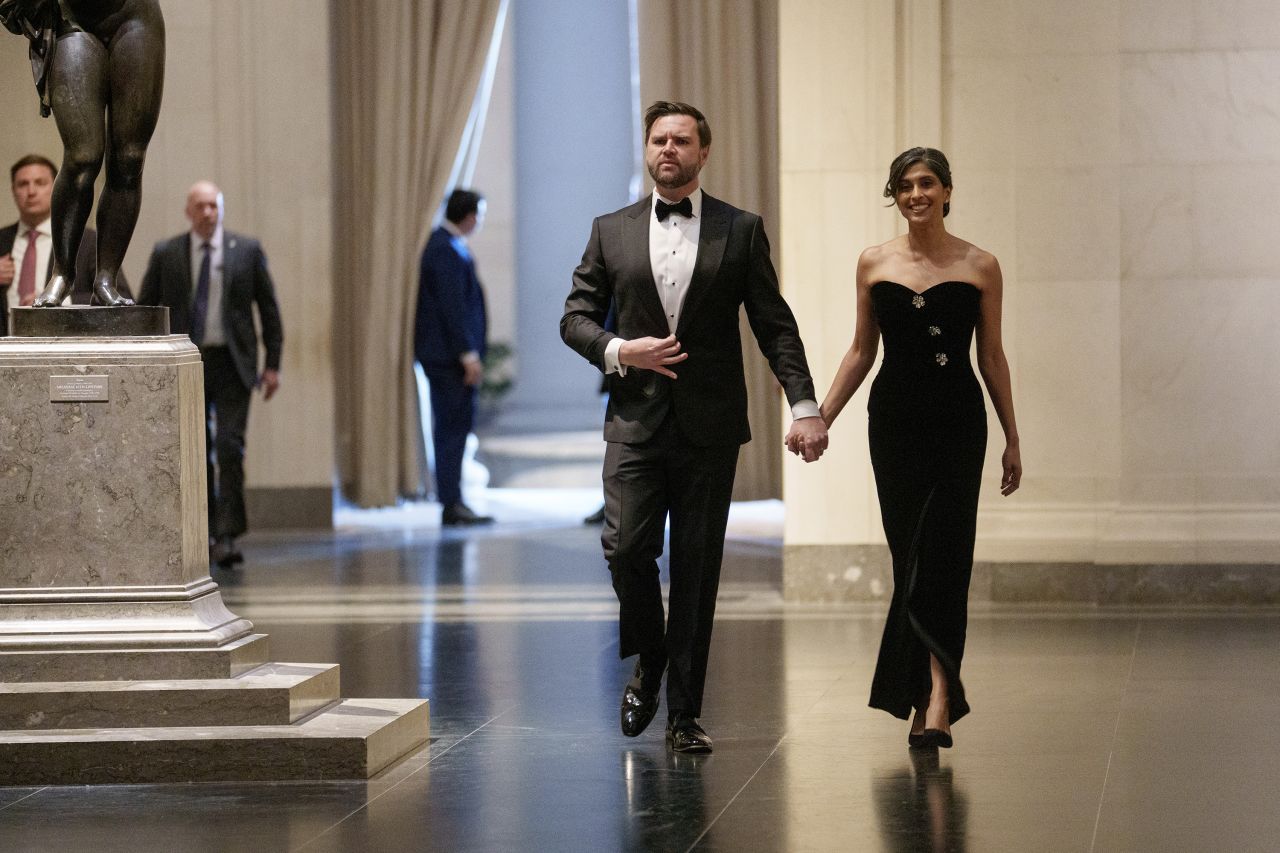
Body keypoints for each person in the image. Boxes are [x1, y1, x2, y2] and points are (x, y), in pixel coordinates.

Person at [561, 101, 828, 754]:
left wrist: (803, 404)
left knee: (697, 567)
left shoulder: (740, 230)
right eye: (659, 139)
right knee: (625, 550)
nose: (669, 149)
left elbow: (774, 322)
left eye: (682, 140)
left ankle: (684, 715)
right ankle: (650, 658)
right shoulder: (611, 229)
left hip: (709, 425)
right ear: (646, 149)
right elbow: (576, 317)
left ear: (703, 152)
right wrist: (624, 350)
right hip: (633, 419)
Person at [807, 147, 1021, 750]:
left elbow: (993, 357)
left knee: (948, 555)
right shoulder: (873, 263)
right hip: (895, 422)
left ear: (948, 191)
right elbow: (860, 351)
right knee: (911, 557)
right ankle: (930, 692)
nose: (916, 194)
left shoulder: (982, 265)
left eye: (927, 183)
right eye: (905, 186)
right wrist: (819, 417)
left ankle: (938, 698)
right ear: (895, 196)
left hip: (958, 423)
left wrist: (1012, 436)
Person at [138, 181, 283, 569]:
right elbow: (146, 306)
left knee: (230, 447)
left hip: (233, 363)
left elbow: (268, 310)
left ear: (221, 209)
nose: (207, 213)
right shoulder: (167, 253)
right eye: (200, 206)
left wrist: (273, 365)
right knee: (195, 450)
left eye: (213, 206)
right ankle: (201, 532)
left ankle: (229, 534)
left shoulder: (246, 251)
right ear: (188, 211)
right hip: (187, 363)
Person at [11, 0, 166, 309]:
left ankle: (105, 278)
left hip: (136, 16)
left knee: (130, 159)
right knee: (83, 156)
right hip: (73, 18)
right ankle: (62, 272)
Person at [413, 188, 494, 527]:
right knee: (452, 428)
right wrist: (467, 353)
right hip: (449, 359)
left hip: (451, 358)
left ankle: (454, 499)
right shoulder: (443, 249)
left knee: (456, 428)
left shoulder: (449, 247)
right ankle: (451, 502)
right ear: (471, 215)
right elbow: (452, 308)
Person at [0, 153, 129, 333]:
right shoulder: (2, 240)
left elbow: (123, 297)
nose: (31, 191)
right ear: (13, 190)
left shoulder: (88, 241)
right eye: (23, 184)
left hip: (64, 342)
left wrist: (60, 300)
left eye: (40, 183)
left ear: (56, 188)